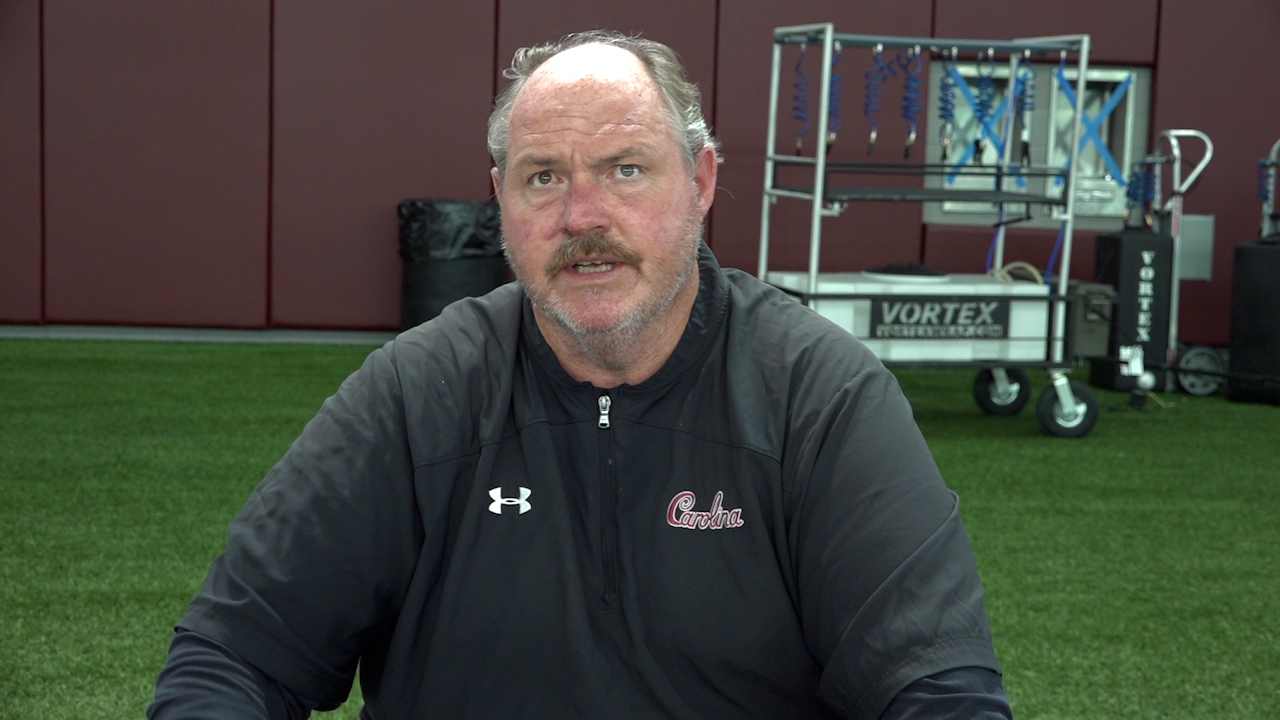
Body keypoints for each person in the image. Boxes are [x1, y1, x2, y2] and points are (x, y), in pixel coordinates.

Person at [150, 30, 1013, 719]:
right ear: (501, 201)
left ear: (702, 181)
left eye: (625, 169)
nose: (582, 216)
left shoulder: (819, 398)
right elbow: (235, 657)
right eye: (544, 178)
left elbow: (938, 690)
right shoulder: (419, 395)